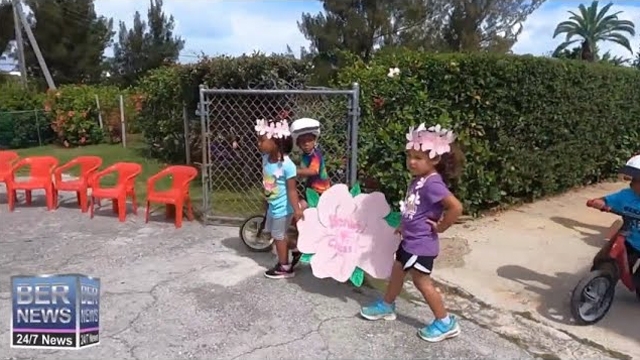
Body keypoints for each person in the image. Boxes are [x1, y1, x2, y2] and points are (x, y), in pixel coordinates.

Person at [360, 123, 464, 343]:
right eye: (410, 156)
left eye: (418, 157)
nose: (412, 162)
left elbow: (456, 207)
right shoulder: (419, 180)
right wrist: (404, 226)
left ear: (434, 159)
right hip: (410, 240)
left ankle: (445, 322)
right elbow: (415, 208)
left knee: (421, 282)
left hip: (422, 244)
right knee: (397, 271)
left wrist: (442, 226)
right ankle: (387, 305)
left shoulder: (433, 183)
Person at [255, 119, 304, 279]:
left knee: (278, 235)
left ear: (276, 142)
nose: (259, 143)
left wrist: (297, 209)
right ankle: (296, 250)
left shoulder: (287, 165)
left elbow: (291, 190)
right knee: (277, 234)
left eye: (262, 140)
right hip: (273, 206)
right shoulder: (266, 158)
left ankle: (285, 267)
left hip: (283, 208)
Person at [586, 154, 640, 285]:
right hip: (631, 240)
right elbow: (608, 200)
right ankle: (597, 285)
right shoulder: (627, 195)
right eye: (633, 179)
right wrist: (600, 202)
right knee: (606, 260)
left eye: (638, 180)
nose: (633, 183)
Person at [288, 117, 332, 268]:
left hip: (320, 192)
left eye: (309, 140)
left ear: (315, 141)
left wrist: (294, 171)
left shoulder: (315, 155)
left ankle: (304, 242)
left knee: (301, 211)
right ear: (298, 144)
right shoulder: (306, 155)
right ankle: (302, 239)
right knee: (301, 212)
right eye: (303, 141)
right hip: (311, 190)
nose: (306, 144)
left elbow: (313, 170)